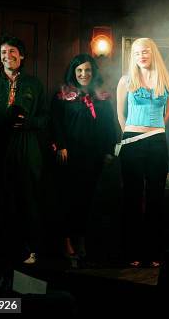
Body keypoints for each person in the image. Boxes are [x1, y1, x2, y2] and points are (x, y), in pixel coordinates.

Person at [0, 34, 47, 265]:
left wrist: (29, 124)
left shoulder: (34, 84)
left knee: (28, 198)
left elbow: (46, 118)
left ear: (21, 55)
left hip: (27, 146)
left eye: (12, 52)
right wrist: (2, 120)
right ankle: (4, 250)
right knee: (1, 199)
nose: (7, 56)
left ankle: (32, 250)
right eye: (3, 53)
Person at [50, 54, 117, 267]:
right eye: (79, 71)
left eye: (87, 70)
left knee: (88, 201)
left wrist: (109, 150)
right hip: (71, 155)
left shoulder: (102, 96)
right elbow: (55, 122)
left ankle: (82, 241)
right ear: (73, 72)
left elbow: (109, 125)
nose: (83, 74)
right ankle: (66, 241)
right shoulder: (63, 95)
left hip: (94, 155)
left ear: (92, 72)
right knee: (68, 199)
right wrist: (61, 145)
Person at [116, 38, 169, 267]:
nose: (142, 55)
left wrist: (152, 132)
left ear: (153, 53)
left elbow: (166, 116)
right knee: (132, 197)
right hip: (131, 140)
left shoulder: (168, 81)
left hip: (157, 140)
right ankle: (132, 251)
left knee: (155, 198)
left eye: (146, 51)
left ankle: (153, 252)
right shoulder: (125, 81)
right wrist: (129, 137)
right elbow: (120, 114)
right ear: (133, 56)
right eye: (137, 52)